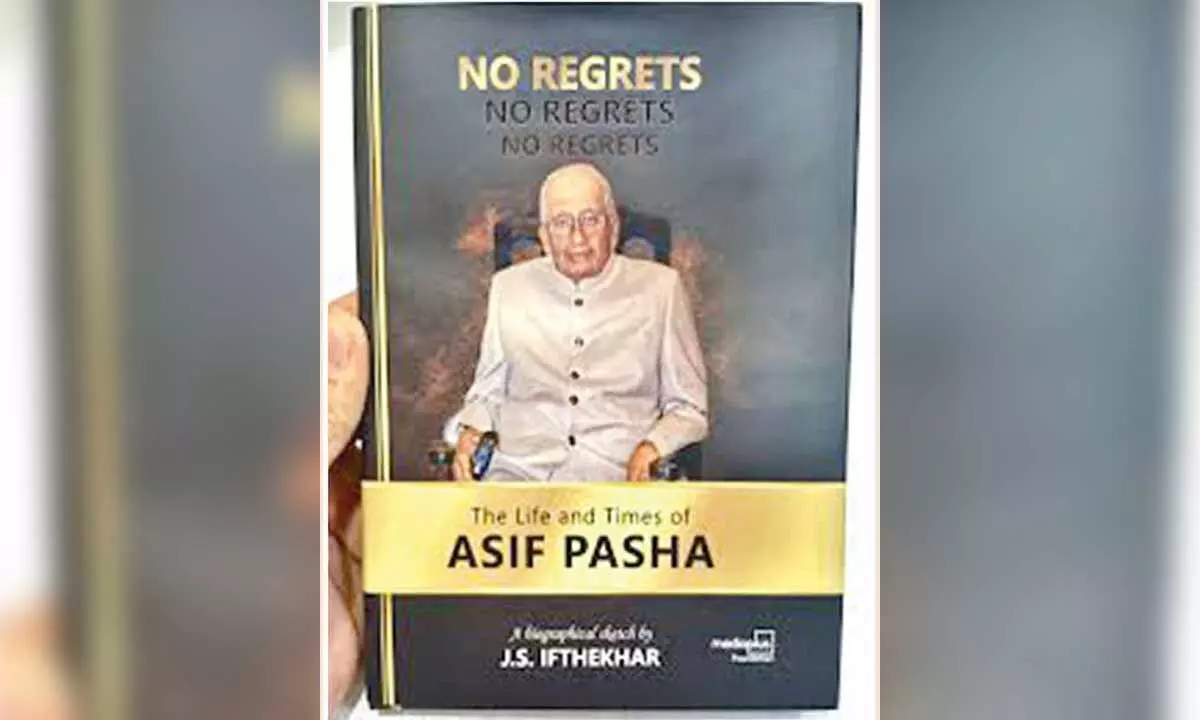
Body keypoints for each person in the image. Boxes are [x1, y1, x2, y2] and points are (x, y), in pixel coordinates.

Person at [450, 162, 708, 483]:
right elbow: (486, 395)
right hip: (518, 476)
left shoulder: (662, 289)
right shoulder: (509, 288)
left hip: (619, 478)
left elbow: (688, 408)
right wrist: (471, 430)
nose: (578, 237)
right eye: (561, 223)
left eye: (590, 219)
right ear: (544, 237)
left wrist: (653, 447)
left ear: (613, 227)